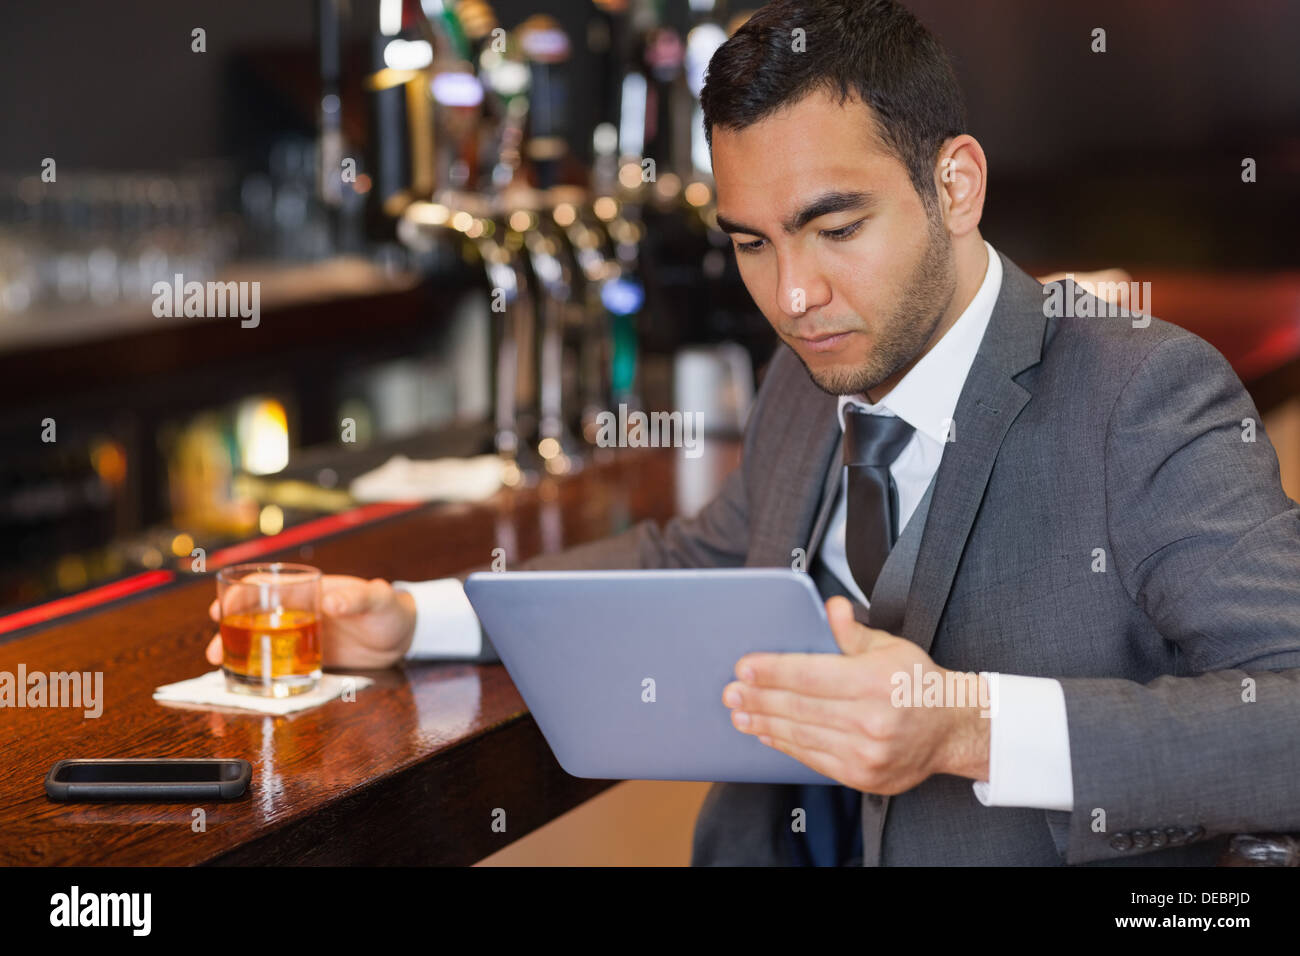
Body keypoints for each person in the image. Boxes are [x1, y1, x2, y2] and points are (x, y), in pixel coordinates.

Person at [207, 0, 1300, 865]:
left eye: (836, 226)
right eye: (751, 244)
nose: (794, 293)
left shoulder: (1143, 393)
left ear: (955, 184)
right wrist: (413, 617)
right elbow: (709, 557)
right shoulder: (803, 374)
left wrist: (964, 725)